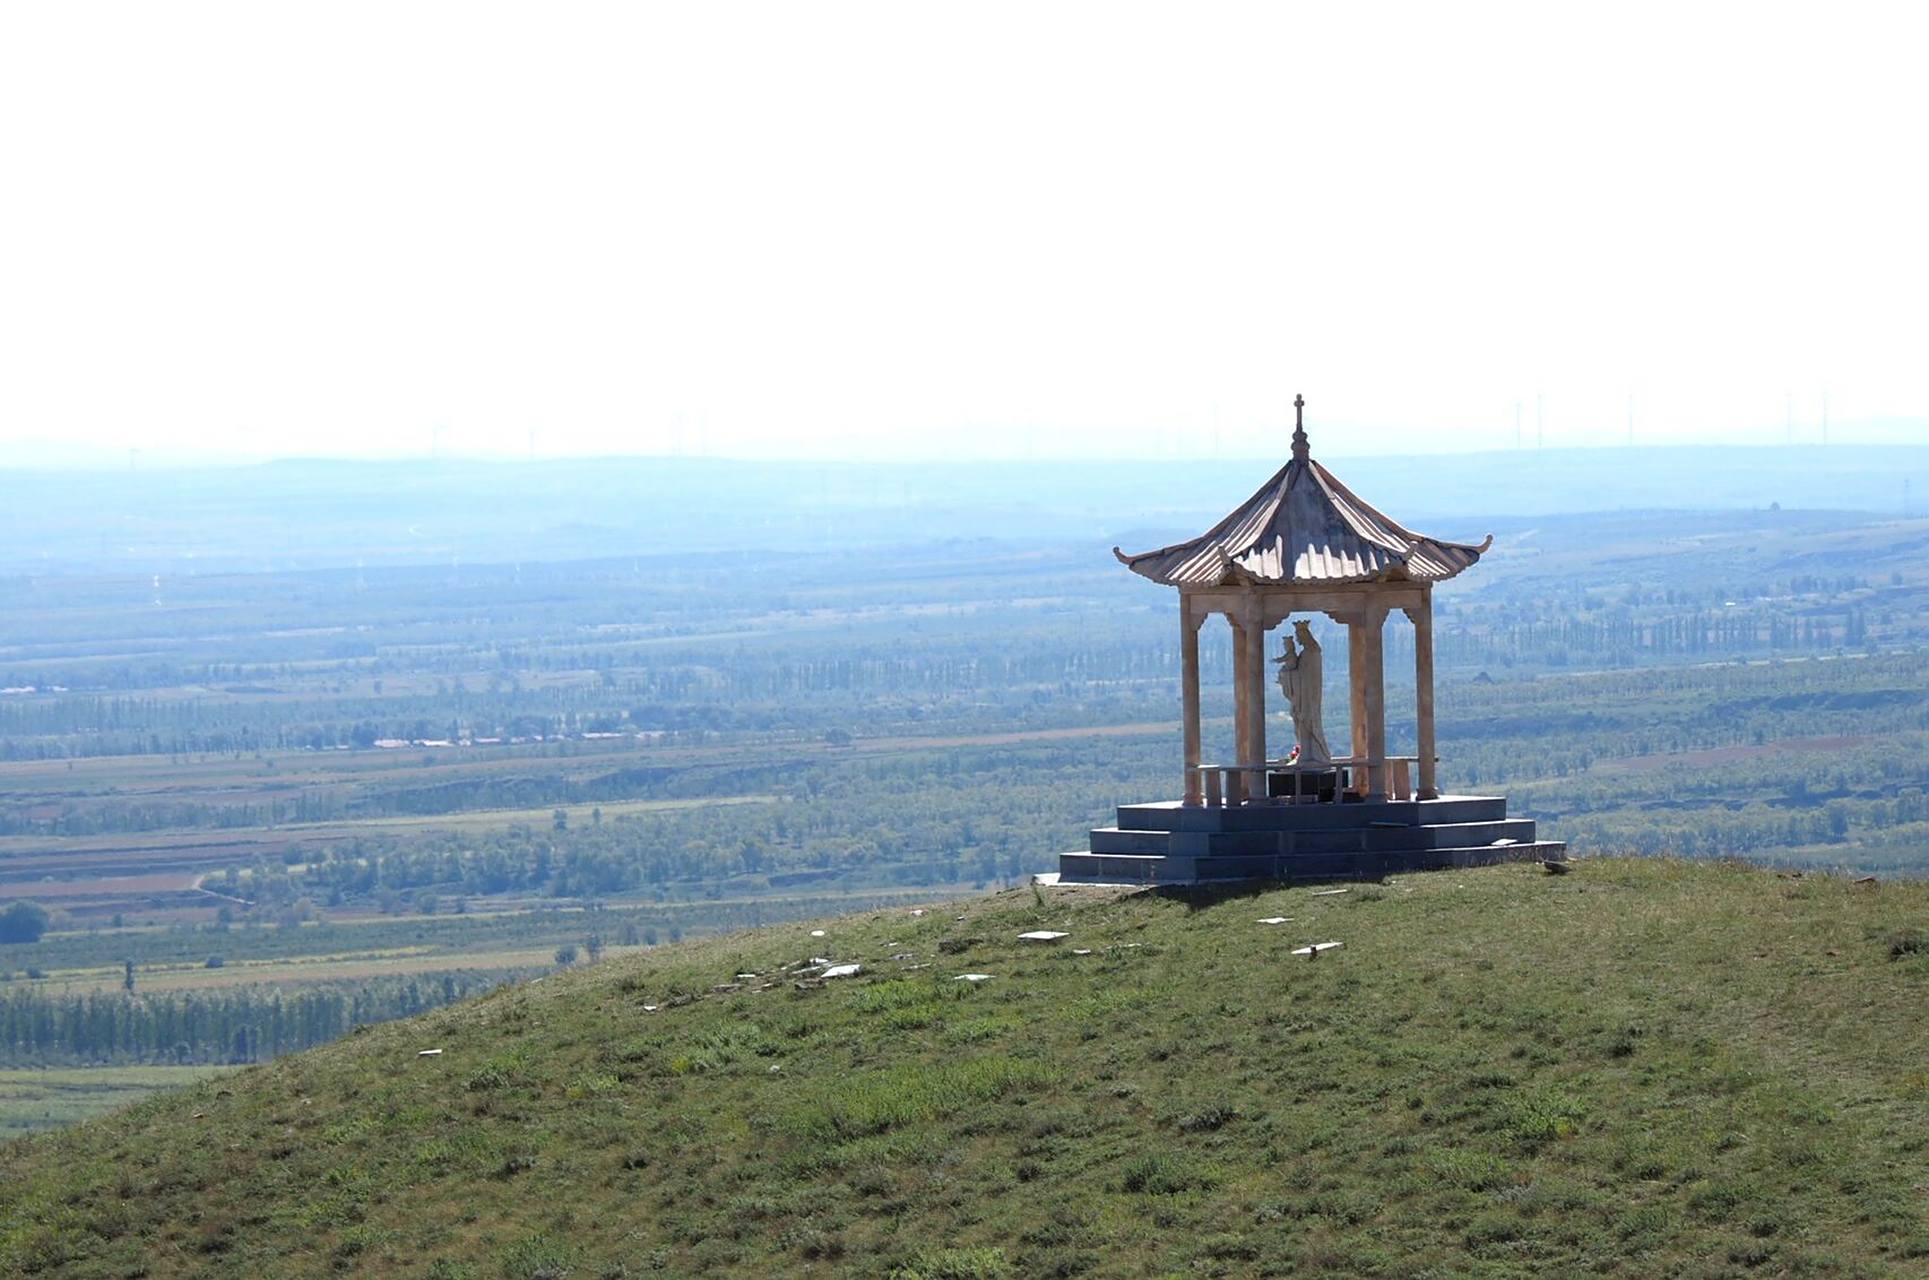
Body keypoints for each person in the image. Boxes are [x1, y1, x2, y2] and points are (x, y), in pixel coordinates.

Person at [1274, 620, 1332, 767]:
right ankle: (1304, 753)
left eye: (1298, 636)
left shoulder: (1312, 652)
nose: (1297, 640)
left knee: (1307, 722)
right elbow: (1298, 672)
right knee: (1299, 723)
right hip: (1301, 697)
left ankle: (1312, 755)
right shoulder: (1305, 653)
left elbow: (1306, 676)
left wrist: (1287, 675)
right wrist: (1286, 675)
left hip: (1308, 697)